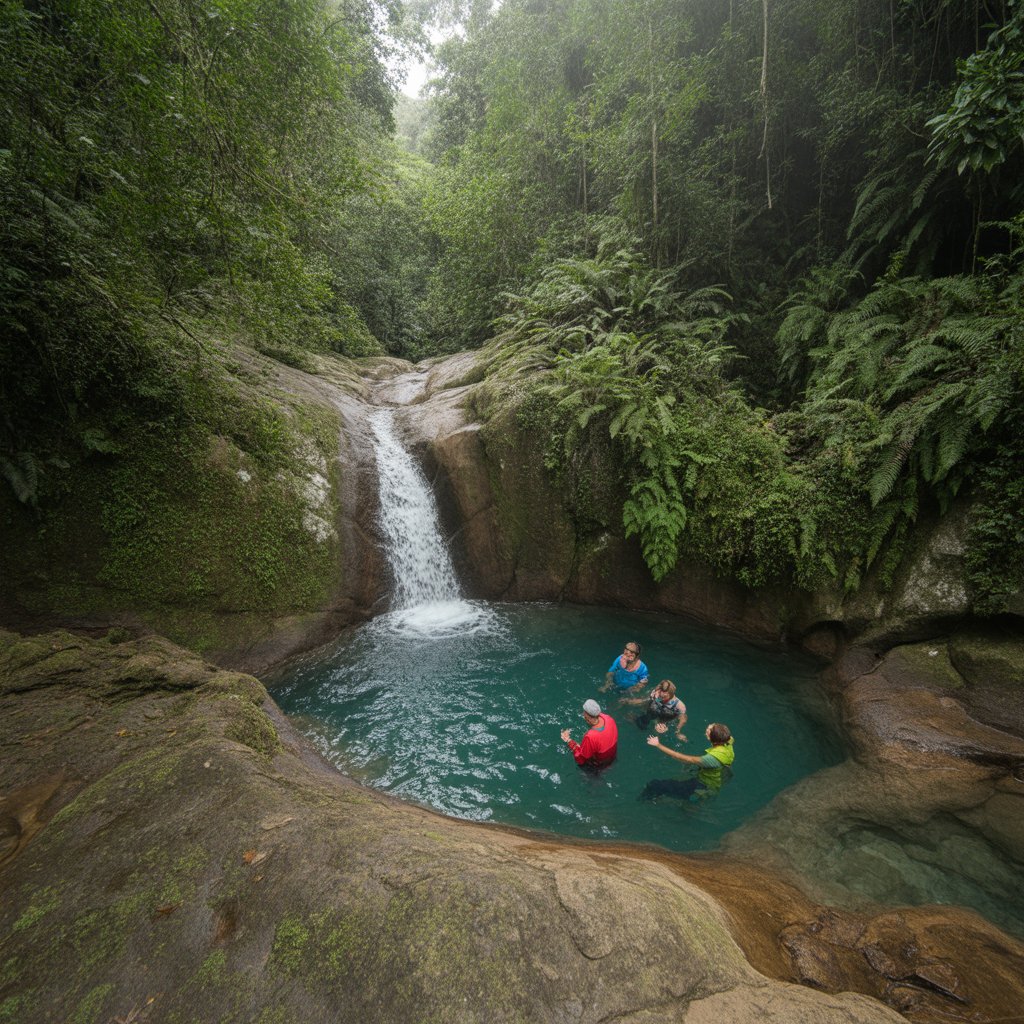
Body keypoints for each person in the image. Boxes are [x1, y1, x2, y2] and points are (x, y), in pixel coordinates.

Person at [641, 723, 735, 802]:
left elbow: (683, 758)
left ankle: (644, 801)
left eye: (709, 730)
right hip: (712, 781)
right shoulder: (727, 741)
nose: (707, 728)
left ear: (711, 737)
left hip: (703, 785)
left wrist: (658, 744)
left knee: (655, 785)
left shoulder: (711, 759)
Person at [561, 699, 618, 769]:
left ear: (588, 717)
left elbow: (581, 759)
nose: (583, 714)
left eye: (584, 713)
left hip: (599, 766)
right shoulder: (609, 719)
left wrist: (568, 740)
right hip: (612, 757)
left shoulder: (590, 737)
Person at [622, 679, 687, 740]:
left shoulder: (679, 705)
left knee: (658, 731)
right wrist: (629, 701)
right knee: (642, 726)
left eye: (665, 697)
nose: (662, 698)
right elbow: (646, 701)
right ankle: (635, 718)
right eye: (661, 695)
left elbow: (683, 719)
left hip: (666, 718)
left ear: (671, 694)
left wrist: (678, 732)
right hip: (654, 712)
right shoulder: (657, 695)